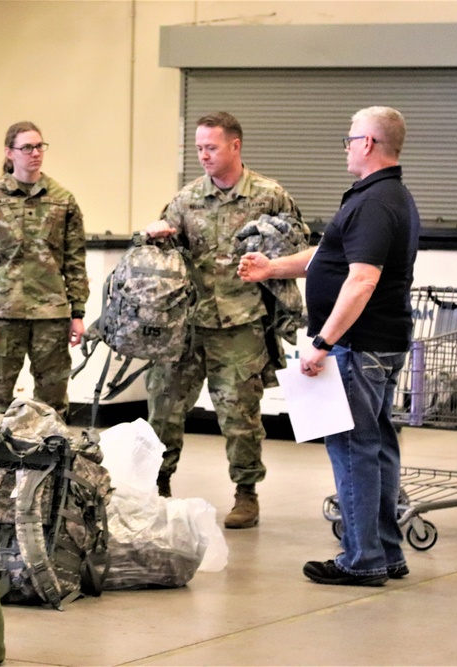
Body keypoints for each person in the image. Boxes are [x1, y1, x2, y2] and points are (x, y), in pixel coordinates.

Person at [238, 106, 420, 585]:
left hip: (359, 348)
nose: (345, 146)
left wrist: (322, 342)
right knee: (375, 446)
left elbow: (360, 280)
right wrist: (272, 268)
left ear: (366, 144)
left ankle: (363, 560)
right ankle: (385, 552)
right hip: (373, 344)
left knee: (354, 448)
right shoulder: (378, 197)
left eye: (349, 138)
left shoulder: (377, 202)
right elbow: (328, 256)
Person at [145, 111, 303, 529]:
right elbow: (163, 250)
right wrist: (155, 236)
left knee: (240, 416)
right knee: (164, 409)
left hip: (240, 323)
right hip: (186, 325)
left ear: (235, 145)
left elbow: (298, 246)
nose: (203, 156)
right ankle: (156, 487)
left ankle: (246, 494)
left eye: (211, 147)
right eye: (198, 148)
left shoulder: (269, 196)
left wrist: (271, 257)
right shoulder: (186, 199)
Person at [0, 121, 89, 420]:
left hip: (51, 315)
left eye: (39, 146)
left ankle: (50, 464)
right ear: (10, 153)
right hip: (4, 314)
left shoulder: (63, 200)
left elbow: (75, 261)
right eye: (27, 148)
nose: (35, 153)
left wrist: (78, 314)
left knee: (52, 400)